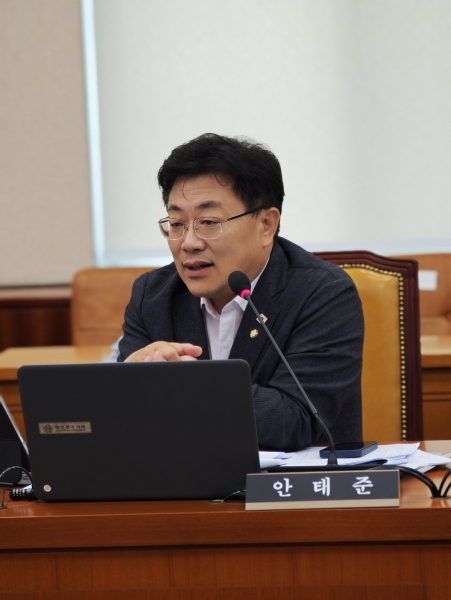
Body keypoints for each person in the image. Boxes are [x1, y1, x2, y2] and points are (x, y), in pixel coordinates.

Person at [118, 133, 364, 451]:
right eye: (177, 224)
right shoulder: (152, 296)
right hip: (182, 479)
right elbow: (128, 418)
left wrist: (186, 385)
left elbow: (295, 421)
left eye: (208, 222)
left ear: (266, 225)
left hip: (292, 483)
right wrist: (123, 383)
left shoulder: (323, 294)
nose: (189, 243)